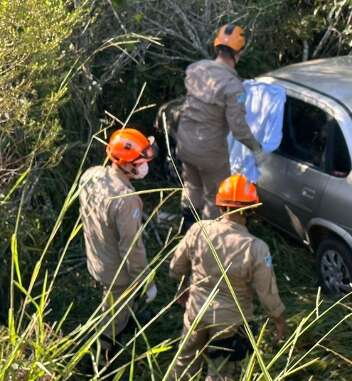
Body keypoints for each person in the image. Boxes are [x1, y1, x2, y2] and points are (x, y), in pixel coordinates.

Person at [169, 174, 286, 381]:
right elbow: (267, 293)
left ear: (220, 205)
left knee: (184, 361)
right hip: (230, 322)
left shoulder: (198, 229)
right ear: (250, 209)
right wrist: (279, 320)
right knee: (221, 372)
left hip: (195, 312)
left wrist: (182, 288)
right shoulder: (256, 248)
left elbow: (176, 267)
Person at [79, 128, 158, 353]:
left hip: (95, 258)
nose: (145, 165)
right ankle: (101, 358)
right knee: (112, 319)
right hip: (116, 275)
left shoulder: (91, 175)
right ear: (126, 164)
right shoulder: (127, 201)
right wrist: (146, 283)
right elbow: (132, 249)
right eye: (141, 161)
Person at [176, 23, 263, 226]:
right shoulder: (233, 87)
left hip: (185, 142)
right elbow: (238, 129)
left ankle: (186, 228)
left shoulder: (196, 68)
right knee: (216, 197)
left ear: (217, 47)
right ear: (238, 53)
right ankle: (207, 242)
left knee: (191, 184)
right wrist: (256, 149)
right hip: (210, 151)